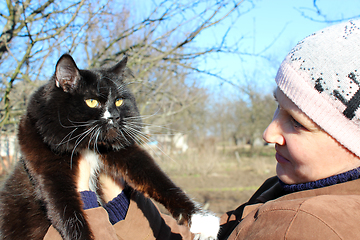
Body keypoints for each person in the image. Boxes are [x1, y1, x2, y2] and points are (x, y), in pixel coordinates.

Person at [45, 19, 360, 239]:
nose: (268, 133)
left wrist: (84, 203)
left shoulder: (304, 225)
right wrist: (117, 204)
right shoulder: (294, 190)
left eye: (298, 123)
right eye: (278, 105)